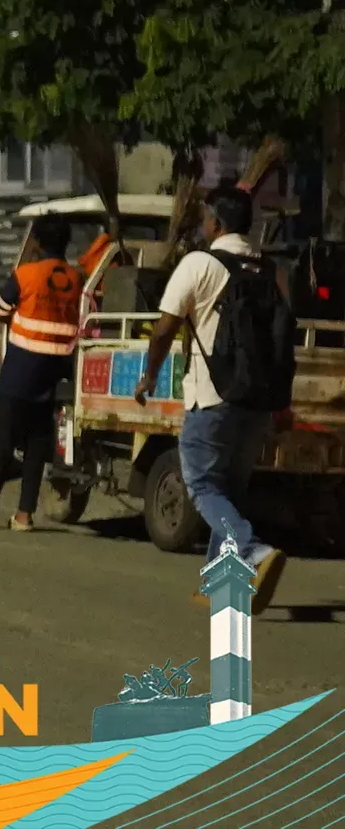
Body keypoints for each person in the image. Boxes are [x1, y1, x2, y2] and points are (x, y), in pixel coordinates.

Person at [135, 186, 289, 613]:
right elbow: (281, 341)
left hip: (212, 394)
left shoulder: (199, 264)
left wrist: (149, 374)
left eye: (205, 217)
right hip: (258, 400)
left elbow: (164, 329)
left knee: (202, 485)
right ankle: (220, 585)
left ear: (216, 224)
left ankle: (251, 549)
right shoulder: (270, 271)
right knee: (229, 491)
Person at [0, 217, 81, 531]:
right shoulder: (76, 279)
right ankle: (24, 516)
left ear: (38, 242)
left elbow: (1, 312)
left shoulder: (25, 275)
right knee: (37, 445)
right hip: (54, 371)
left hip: (21, 369)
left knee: (3, 443)